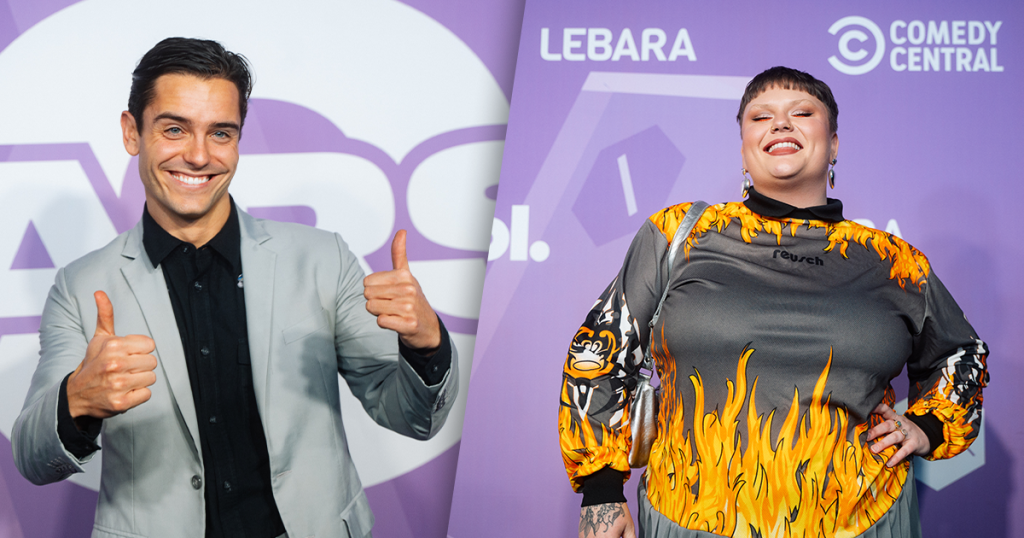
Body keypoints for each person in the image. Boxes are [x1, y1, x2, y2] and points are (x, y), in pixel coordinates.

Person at [12, 37, 457, 538]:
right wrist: (76, 400)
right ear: (132, 132)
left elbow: (413, 417)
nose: (198, 155)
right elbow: (32, 458)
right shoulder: (81, 287)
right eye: (175, 129)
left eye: (220, 133)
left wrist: (426, 345)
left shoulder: (321, 258)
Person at [559, 66, 988, 538]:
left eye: (801, 113)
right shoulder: (678, 235)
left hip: (865, 520)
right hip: (689, 518)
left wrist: (928, 426)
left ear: (834, 145)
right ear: (744, 149)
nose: (780, 123)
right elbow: (599, 350)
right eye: (761, 117)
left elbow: (961, 353)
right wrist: (600, 491)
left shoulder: (893, 261)